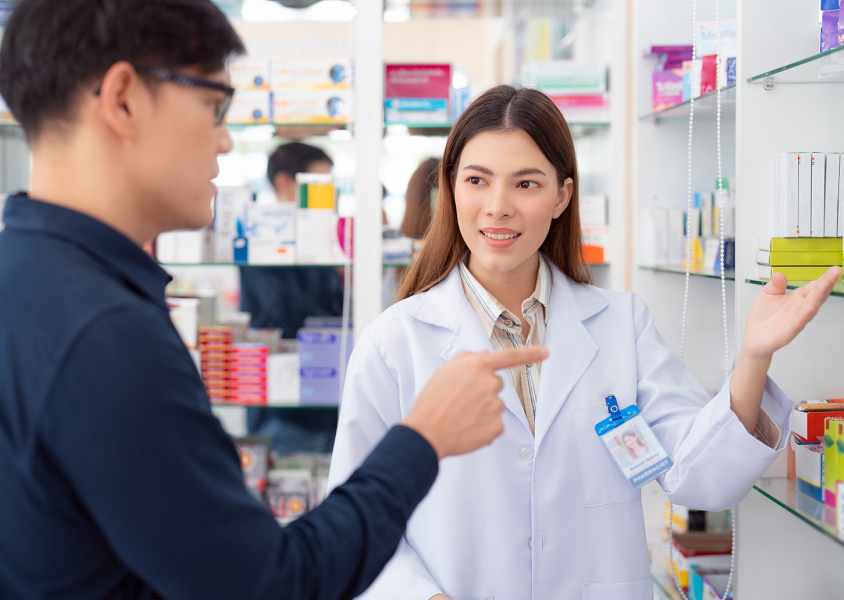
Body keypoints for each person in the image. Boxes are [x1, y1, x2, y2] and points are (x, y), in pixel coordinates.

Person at [0, 2, 547, 599]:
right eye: (215, 107)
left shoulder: (2, 276)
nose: (223, 141)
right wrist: (422, 439)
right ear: (124, 99)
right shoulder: (101, 330)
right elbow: (270, 586)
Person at [327, 85, 841, 600]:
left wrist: (754, 354)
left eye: (526, 183)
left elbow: (698, 479)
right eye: (477, 180)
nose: (498, 207)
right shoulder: (395, 343)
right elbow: (355, 522)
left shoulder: (621, 325)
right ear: (452, 189)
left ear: (562, 196)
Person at [242, 142, 342, 453]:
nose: (328, 196)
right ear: (285, 183)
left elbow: (340, 307)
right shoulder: (260, 237)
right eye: (317, 185)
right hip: (285, 410)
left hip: (329, 400)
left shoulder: (317, 236)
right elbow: (291, 314)